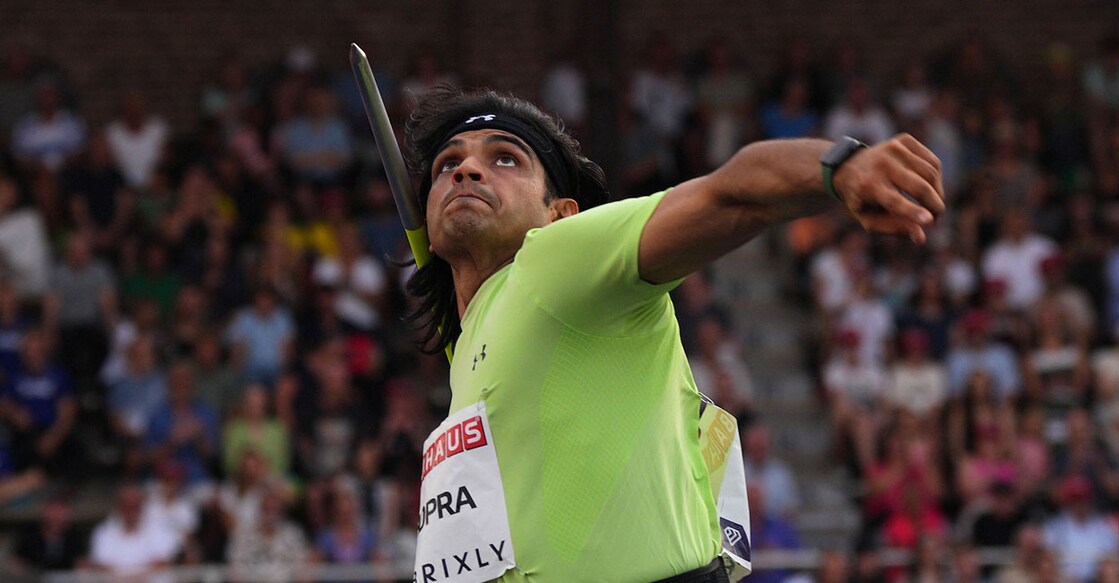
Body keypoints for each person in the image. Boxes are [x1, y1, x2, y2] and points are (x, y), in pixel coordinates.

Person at [399, 87, 942, 582]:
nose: (466, 169)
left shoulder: (553, 260)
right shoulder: (470, 342)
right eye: (448, 163)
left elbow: (730, 194)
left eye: (504, 158)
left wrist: (841, 167)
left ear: (560, 214)